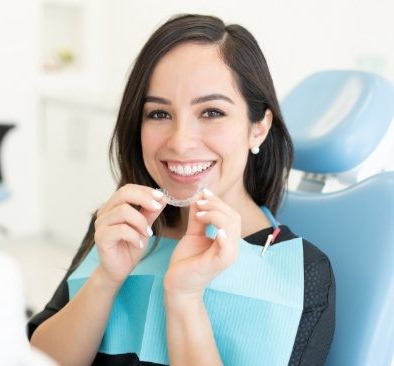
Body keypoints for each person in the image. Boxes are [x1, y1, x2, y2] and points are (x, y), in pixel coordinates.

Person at [28, 14, 335, 366]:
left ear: (258, 128)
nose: (180, 142)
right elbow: (35, 359)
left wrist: (185, 298)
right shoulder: (119, 226)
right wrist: (105, 279)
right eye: (159, 114)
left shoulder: (302, 272)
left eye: (212, 112)